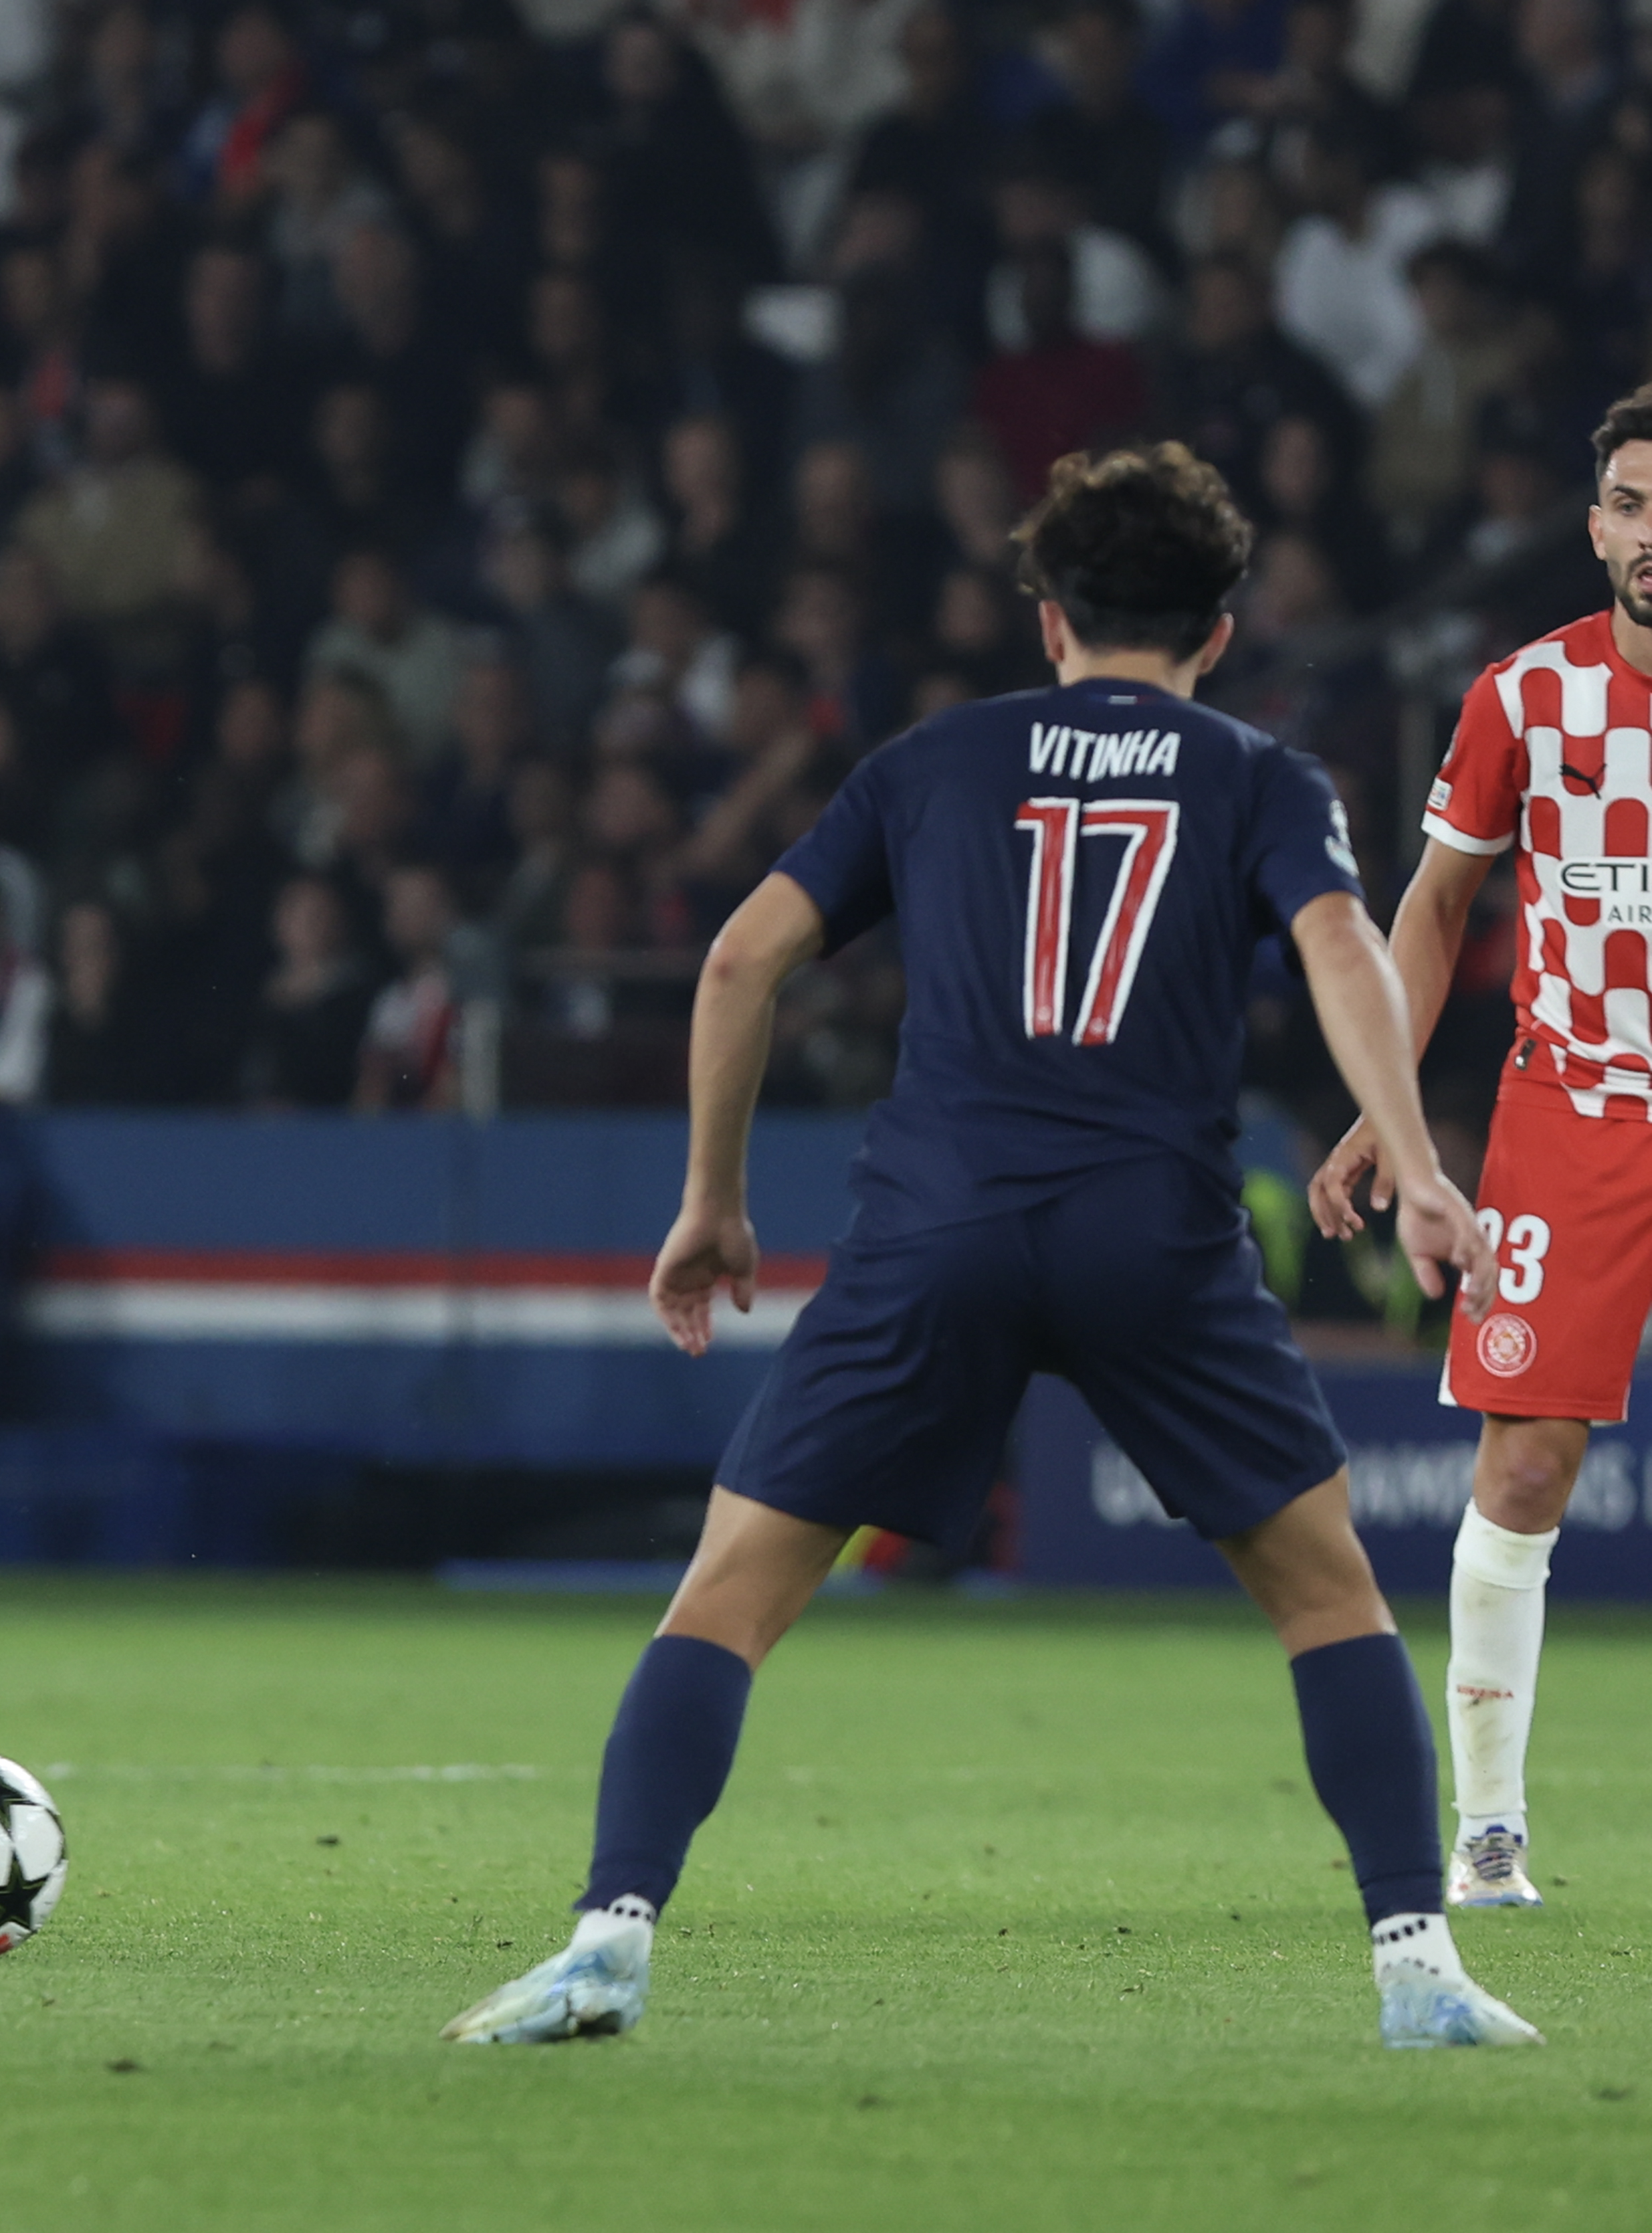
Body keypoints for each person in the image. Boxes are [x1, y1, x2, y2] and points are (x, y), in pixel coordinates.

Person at [445, 443, 1541, 2052]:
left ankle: (609, 1936)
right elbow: (1340, 949)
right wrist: (1420, 1157)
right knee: (1328, 1602)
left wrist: (713, 1197)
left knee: (727, 1599)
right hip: (1149, 1238)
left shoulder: (931, 762)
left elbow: (743, 958)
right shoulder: (1259, 774)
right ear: (1220, 633)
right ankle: (1418, 1970)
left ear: (1048, 618)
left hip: (935, 1228)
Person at [1306, 383, 1652, 1912]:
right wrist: (1387, 1113)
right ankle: (1491, 1826)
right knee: (1525, 1459)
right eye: (1632, 506)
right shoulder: (1525, 698)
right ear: (1596, 529)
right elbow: (1436, 908)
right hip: (1573, 1113)